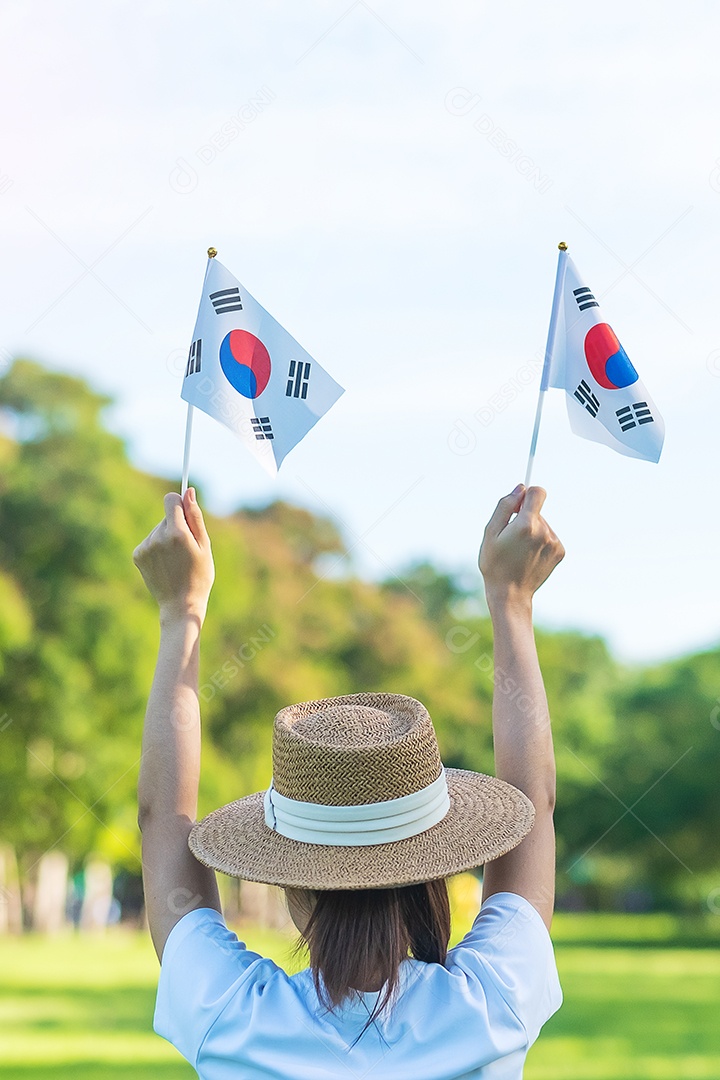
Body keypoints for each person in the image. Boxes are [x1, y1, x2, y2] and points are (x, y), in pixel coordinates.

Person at [133, 482, 565, 1079]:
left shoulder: (231, 1017)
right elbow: (533, 807)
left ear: (291, 883)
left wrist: (181, 612)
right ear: (434, 868)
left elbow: (161, 822)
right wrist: (512, 601)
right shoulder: (493, 1006)